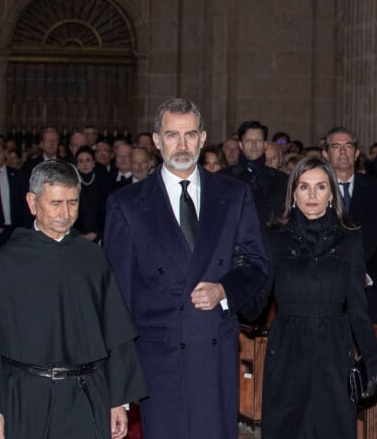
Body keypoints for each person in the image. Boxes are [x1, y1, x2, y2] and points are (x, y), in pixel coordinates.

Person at [104, 98, 268, 439]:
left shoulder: (234, 194)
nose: (182, 145)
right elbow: (117, 299)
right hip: (158, 356)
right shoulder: (127, 204)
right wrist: (117, 389)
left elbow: (257, 265)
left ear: (203, 137)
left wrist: (224, 290)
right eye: (172, 135)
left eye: (190, 134)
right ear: (156, 140)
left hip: (214, 351)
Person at [0, 160, 146, 439]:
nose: (65, 213)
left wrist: (119, 400)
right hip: (25, 398)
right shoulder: (4, 264)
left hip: (86, 393)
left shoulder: (93, 259)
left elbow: (115, 334)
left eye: (73, 203)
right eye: (55, 203)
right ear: (32, 202)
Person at [242, 156, 377, 438]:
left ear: (331, 193)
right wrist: (238, 277)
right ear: (293, 193)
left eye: (320, 187)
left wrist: (373, 360)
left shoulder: (350, 238)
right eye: (304, 187)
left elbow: (358, 307)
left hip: (333, 349)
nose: (312, 195)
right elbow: (253, 309)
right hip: (287, 349)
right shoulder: (274, 237)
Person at [322, 126, 377, 323]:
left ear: (357, 153)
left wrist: (369, 276)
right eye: (336, 146)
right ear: (326, 154)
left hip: (366, 290)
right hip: (324, 290)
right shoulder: (315, 190)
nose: (343, 151)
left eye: (348, 146)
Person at [221, 120, 288, 225]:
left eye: (258, 140)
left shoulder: (282, 180)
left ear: (265, 144)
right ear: (241, 145)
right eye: (248, 141)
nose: (254, 145)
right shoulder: (223, 178)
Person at [73, 146, 109, 243]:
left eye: (88, 160)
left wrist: (96, 232)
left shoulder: (102, 182)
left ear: (93, 163)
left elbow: (106, 210)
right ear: (77, 165)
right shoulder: (72, 184)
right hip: (76, 236)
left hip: (99, 235)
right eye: (81, 161)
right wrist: (77, 234)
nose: (84, 164)